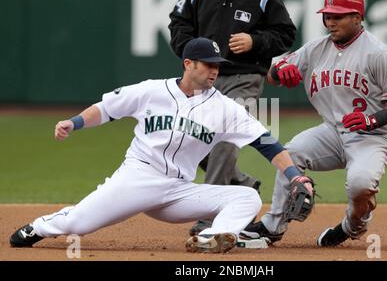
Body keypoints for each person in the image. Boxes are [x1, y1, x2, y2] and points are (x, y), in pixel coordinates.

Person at [9, 37, 312, 254]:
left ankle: (211, 238)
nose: (215, 70)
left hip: (178, 190)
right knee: (79, 222)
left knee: (247, 198)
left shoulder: (225, 108)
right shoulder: (151, 91)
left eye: (218, 64)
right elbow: (107, 109)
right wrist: (73, 122)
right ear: (188, 63)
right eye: (208, 64)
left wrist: (294, 176)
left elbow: (265, 142)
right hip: (138, 178)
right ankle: (39, 226)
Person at [240, 0, 387, 247]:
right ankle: (272, 225)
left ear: (357, 17)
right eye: (327, 16)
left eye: (338, 16)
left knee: (360, 185)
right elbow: (274, 73)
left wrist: (372, 120)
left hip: (370, 137)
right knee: (292, 152)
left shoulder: (378, 53)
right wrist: (280, 72)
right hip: (332, 132)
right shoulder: (316, 48)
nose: (330, 22)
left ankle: (351, 226)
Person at [168, 0, 296, 236]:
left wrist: (255, 41)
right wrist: (191, 55)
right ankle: (244, 187)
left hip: (245, 77)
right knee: (194, 140)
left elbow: (286, 34)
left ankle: (208, 215)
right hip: (204, 77)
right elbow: (178, 22)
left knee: (225, 140)